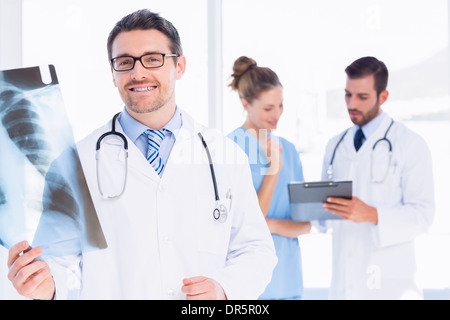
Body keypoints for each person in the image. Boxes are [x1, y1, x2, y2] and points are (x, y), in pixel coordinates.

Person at [6, 9, 277, 300]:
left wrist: (225, 289)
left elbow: (256, 249)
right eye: (124, 62)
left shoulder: (224, 154)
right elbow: (57, 262)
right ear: (113, 74)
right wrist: (46, 285)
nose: (138, 73)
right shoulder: (76, 163)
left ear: (180, 66)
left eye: (153, 59)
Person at [320, 56, 434, 299]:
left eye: (362, 97)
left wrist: (371, 214)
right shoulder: (335, 145)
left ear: (383, 97)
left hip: (392, 287)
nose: (351, 104)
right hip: (343, 286)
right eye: (347, 95)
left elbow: (423, 216)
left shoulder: (410, 144)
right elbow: (326, 217)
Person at [227, 56, 311, 300]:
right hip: (247, 287)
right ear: (245, 104)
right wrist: (274, 169)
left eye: (280, 105)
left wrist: (270, 225)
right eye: (267, 108)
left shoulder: (289, 150)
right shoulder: (228, 149)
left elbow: (305, 225)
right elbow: (241, 223)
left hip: (288, 282)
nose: (277, 115)